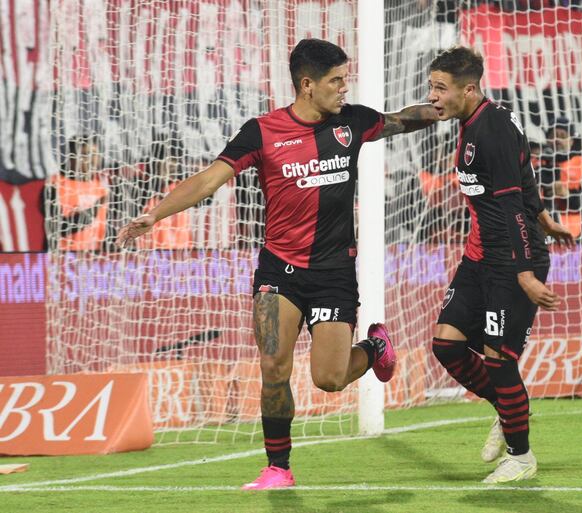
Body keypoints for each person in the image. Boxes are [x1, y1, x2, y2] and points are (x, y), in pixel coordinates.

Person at [117, 38, 438, 490]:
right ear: (307, 85)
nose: (344, 89)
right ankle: (278, 468)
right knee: (273, 367)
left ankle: (372, 352)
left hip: (333, 274)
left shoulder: (353, 122)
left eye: (346, 79)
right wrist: (156, 213)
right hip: (279, 271)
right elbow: (210, 179)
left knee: (328, 379)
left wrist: (453, 105)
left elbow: (404, 120)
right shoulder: (262, 132)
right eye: (336, 81)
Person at [427, 46, 573, 484]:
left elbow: (510, 202)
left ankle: (522, 456)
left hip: (511, 261)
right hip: (479, 256)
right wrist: (546, 217)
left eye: (440, 88)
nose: (433, 96)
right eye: (431, 86)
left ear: (468, 90)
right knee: (447, 345)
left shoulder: (490, 131)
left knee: (499, 360)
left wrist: (525, 272)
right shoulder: (477, 118)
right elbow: (524, 174)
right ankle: (508, 413)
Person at [46, 135, 109, 251]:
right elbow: (56, 228)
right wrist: (95, 208)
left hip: (95, 257)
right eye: (86, 154)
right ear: (72, 157)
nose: (92, 160)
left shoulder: (101, 188)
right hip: (64, 256)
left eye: (95, 154)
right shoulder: (55, 185)